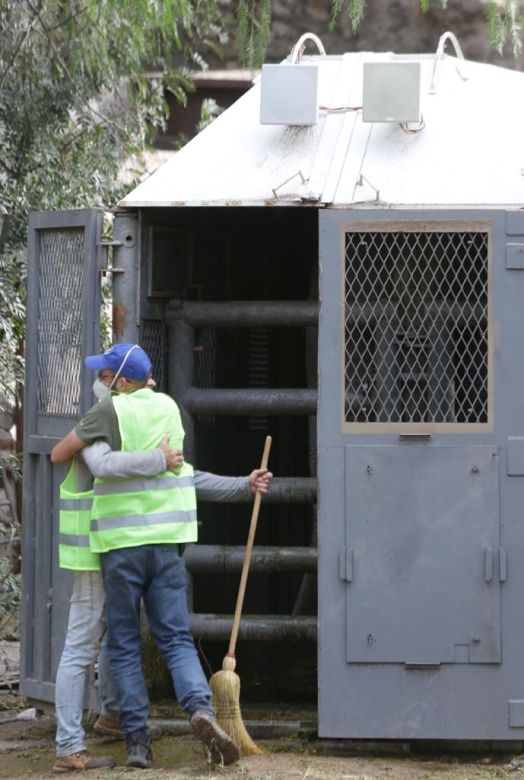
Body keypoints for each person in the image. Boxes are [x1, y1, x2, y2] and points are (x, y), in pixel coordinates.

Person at [50, 343, 272, 770]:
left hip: (120, 549)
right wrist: (242, 484)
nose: (101, 382)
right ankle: (200, 710)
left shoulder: (110, 413)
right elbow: (186, 475)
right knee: (175, 638)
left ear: (123, 382)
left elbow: (99, 464)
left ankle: (137, 742)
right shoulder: (169, 409)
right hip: (167, 546)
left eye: (106, 375)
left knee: (125, 644)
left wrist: (151, 460)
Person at [53, 435, 184, 773]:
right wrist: (157, 458)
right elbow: (93, 462)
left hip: (110, 548)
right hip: (93, 552)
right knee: (80, 648)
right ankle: (68, 746)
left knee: (114, 633)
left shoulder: (114, 423)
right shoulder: (98, 424)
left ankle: (111, 714)